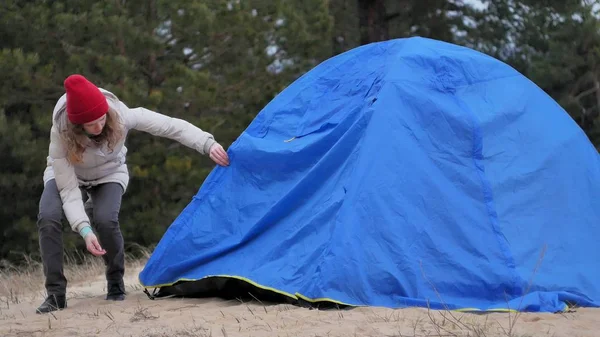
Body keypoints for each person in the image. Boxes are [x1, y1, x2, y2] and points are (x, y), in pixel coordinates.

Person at [35, 74, 230, 314]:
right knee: (48, 216)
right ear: (77, 125)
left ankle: (115, 281)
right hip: (67, 174)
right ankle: (56, 294)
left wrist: (206, 143)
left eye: (101, 118)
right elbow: (68, 189)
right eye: (91, 123)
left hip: (109, 173)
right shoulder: (61, 133)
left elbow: (170, 125)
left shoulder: (120, 115)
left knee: (106, 220)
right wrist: (84, 229)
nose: (99, 126)